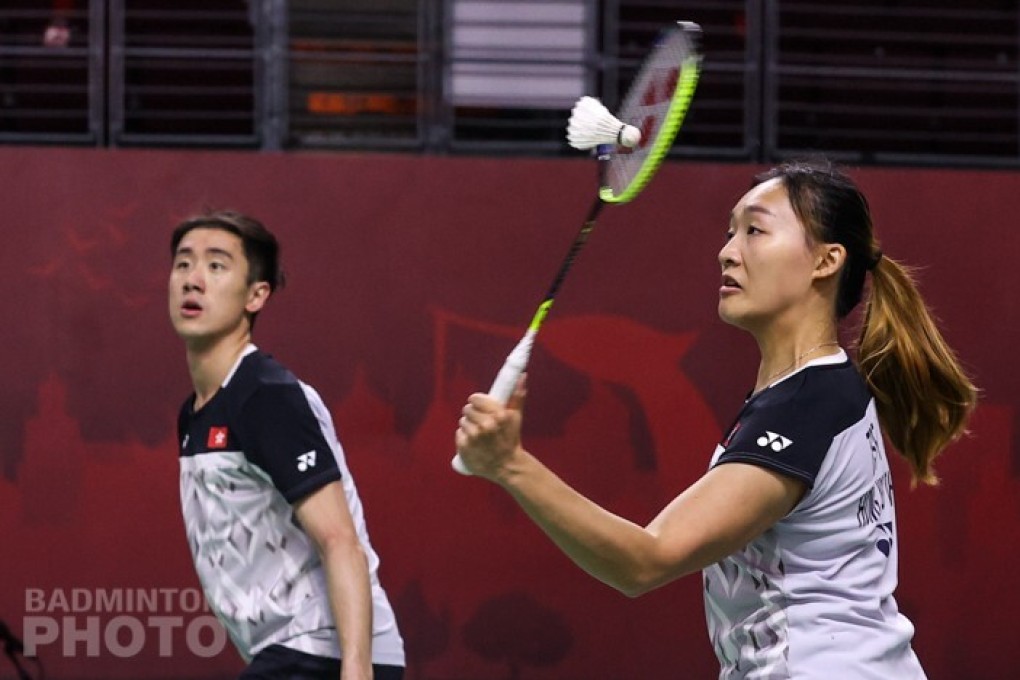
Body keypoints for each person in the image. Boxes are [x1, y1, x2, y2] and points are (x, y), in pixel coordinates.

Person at [455, 159, 977, 679]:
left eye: (755, 230)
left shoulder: (806, 407)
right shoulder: (809, 395)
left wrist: (511, 466)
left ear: (825, 261)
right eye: (731, 233)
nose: (727, 252)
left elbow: (646, 560)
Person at [168, 210, 404, 680]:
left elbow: (340, 541)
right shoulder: (195, 414)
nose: (193, 280)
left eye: (216, 266)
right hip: (285, 653)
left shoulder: (265, 396)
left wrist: (356, 671)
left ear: (257, 294)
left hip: (328, 650)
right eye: (182, 263)